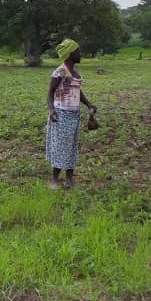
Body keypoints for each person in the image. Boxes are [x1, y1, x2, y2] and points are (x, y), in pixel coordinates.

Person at [45, 39, 97, 189]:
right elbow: (50, 93)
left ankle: (69, 179)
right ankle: (54, 180)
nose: (80, 54)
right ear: (70, 54)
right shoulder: (60, 72)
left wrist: (89, 104)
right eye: (77, 51)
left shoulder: (75, 73)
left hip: (74, 115)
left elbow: (77, 92)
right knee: (60, 147)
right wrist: (52, 110)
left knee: (72, 147)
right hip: (60, 115)